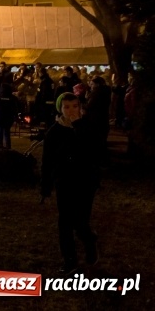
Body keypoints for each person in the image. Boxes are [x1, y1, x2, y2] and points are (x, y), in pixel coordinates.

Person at [40, 92, 103, 274]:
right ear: (60, 109)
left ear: (80, 108)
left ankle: (89, 240)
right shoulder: (54, 132)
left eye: (74, 106)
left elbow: (95, 151)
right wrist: (45, 186)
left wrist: (77, 126)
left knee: (80, 222)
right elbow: (47, 161)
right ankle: (70, 260)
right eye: (66, 107)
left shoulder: (88, 127)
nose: (71, 111)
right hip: (64, 182)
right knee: (65, 222)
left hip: (86, 182)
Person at [0, 83, 20, 149]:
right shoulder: (13, 98)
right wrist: (14, 116)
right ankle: (8, 150)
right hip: (8, 118)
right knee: (7, 135)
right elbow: (15, 109)